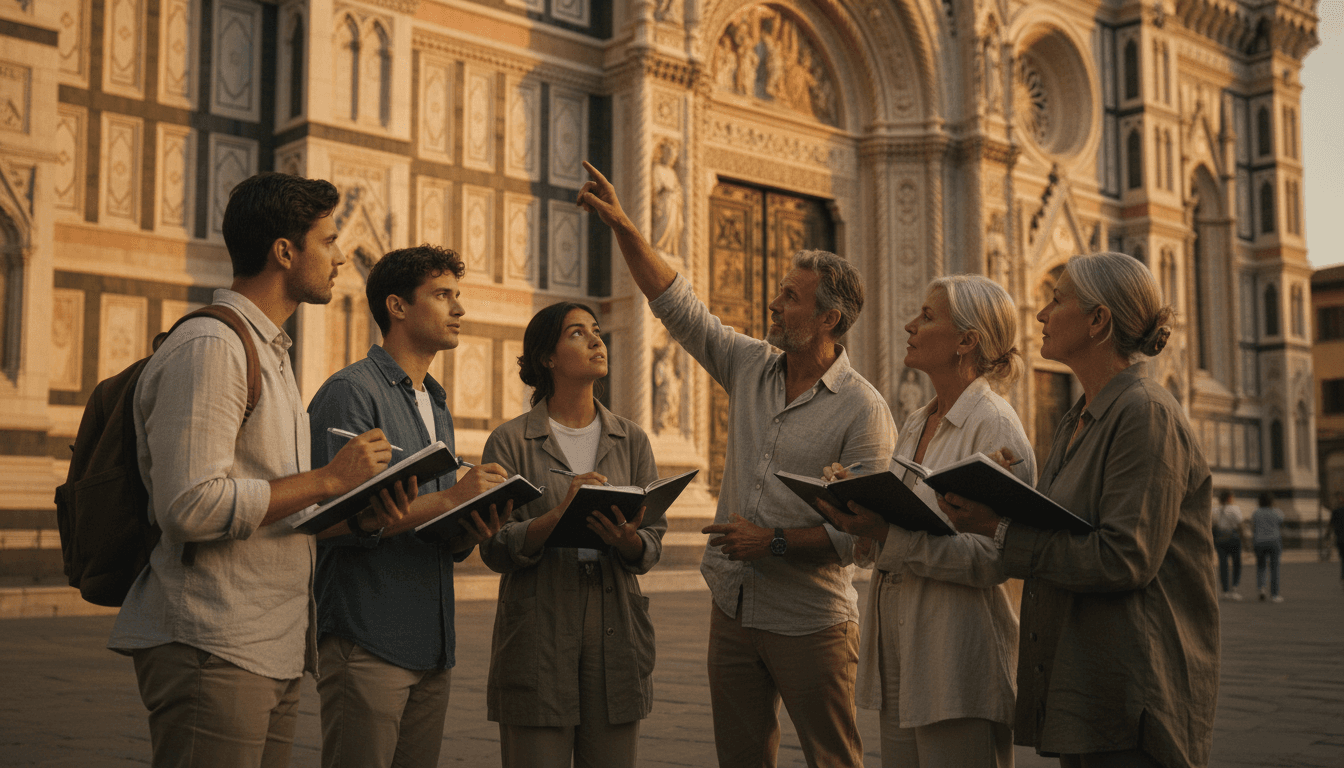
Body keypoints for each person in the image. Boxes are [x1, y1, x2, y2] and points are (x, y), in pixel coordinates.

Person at [580, 162, 898, 768]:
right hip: (734, 607)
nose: (772, 305)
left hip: (811, 622)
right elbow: (680, 308)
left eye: (790, 298)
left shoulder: (864, 412)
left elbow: (860, 539)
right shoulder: (751, 365)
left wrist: (772, 542)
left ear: (829, 319)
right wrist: (624, 226)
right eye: (779, 292)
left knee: (835, 760)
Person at [107, 172, 414, 768]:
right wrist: (330, 479)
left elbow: (273, 505)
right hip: (211, 642)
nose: (341, 256)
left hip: (264, 644)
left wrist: (355, 512)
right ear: (284, 252)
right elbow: (189, 504)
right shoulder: (213, 347)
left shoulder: (268, 353)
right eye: (327, 241)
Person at [942, 251, 1219, 768]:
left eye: (1056, 299)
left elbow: (1123, 558)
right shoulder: (1078, 420)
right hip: (1085, 682)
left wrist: (998, 529)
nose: (1042, 314)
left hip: (1134, 695)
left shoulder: (1145, 415)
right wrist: (999, 494)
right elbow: (1064, 529)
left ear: (1099, 321)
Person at [306, 245, 511, 768]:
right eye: (443, 296)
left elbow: (430, 521)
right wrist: (452, 496)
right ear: (397, 307)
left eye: (457, 296)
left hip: (431, 640)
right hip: (367, 633)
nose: (459, 309)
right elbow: (329, 519)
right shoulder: (351, 392)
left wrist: (472, 522)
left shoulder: (435, 401)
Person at [817, 275, 1034, 768]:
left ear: (967, 341)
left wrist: (887, 534)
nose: (910, 325)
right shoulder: (917, 421)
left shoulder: (994, 424)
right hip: (900, 648)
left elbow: (998, 556)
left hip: (957, 654)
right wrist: (859, 510)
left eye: (928, 317)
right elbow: (899, 523)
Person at [479, 301, 666, 768]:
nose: (597, 340)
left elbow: (654, 536)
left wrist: (631, 542)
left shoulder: (633, 439)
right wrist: (560, 514)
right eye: (577, 333)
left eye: (597, 331)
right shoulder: (509, 441)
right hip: (540, 622)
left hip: (616, 622)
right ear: (547, 357)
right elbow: (494, 544)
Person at [1250, 492, 1285, 603]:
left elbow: (1253, 528)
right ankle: (1274, 595)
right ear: (1271, 501)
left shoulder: (1256, 513)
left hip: (1259, 542)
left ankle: (1261, 589)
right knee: (1274, 568)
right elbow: (1281, 525)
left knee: (1261, 567)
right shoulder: (1277, 512)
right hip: (1274, 541)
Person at [1212, 490, 1245, 600]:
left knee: (1223, 564)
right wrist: (1245, 540)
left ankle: (1225, 590)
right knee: (1236, 564)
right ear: (1230, 497)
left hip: (1220, 540)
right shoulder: (1234, 509)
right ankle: (1234, 589)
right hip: (1233, 539)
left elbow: (1213, 525)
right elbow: (1240, 525)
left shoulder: (1215, 510)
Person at [1331, 492, 1344, 585]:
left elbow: (1331, 525)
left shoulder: (1336, 511)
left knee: (1343, 559)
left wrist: (1327, 536)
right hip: (1340, 538)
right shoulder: (1336, 511)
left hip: (1340, 539)